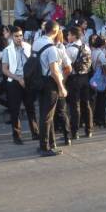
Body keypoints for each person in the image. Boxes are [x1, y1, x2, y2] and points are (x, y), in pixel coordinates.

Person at [33, 20, 67, 156]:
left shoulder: (37, 42)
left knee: (45, 114)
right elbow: (54, 71)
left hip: (39, 81)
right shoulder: (52, 48)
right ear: (55, 31)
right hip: (49, 83)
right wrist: (61, 87)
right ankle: (45, 147)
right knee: (47, 116)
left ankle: (50, 143)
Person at [0, 26, 38, 145]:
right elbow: (5, 70)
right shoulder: (8, 50)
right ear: (12, 36)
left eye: (21, 35)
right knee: (15, 110)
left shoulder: (27, 47)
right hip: (14, 81)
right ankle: (17, 135)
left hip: (28, 81)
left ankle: (35, 133)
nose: (19, 38)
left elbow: (33, 64)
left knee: (30, 108)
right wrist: (18, 78)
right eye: (16, 36)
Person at [65, 26, 94, 139]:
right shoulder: (86, 47)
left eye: (68, 35)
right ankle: (89, 130)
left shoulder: (69, 49)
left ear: (73, 36)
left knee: (74, 106)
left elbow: (66, 67)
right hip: (85, 78)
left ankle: (75, 131)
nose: (67, 37)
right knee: (86, 104)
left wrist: (63, 81)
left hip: (74, 79)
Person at [89, 34, 106, 128]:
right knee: (103, 100)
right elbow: (105, 68)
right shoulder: (101, 54)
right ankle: (101, 120)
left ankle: (95, 118)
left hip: (94, 78)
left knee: (96, 100)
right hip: (102, 79)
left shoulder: (92, 52)